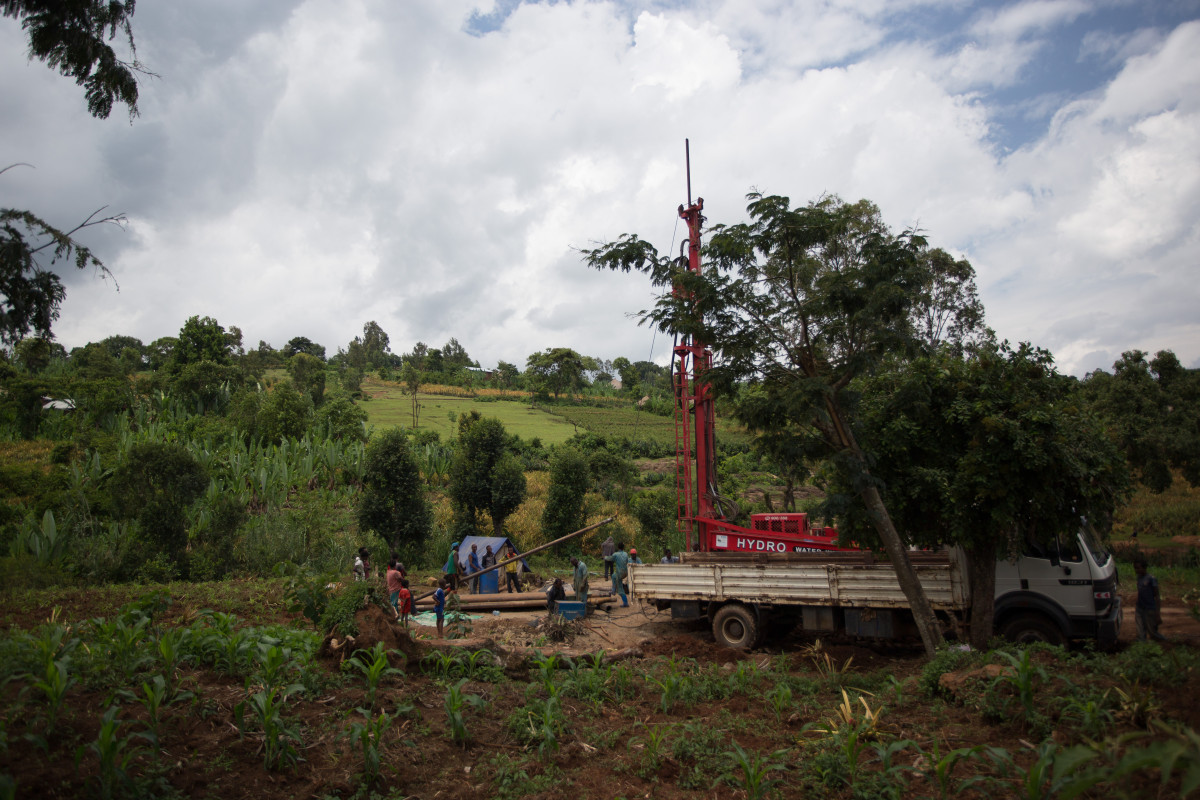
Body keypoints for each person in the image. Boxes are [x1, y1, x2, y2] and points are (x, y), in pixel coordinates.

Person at [1134, 556, 1167, 642]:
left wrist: (1157, 613)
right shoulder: (1139, 578)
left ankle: (1167, 643)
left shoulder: (1151, 579)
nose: (1136, 570)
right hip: (1140, 608)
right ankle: (1141, 647)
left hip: (1149, 609)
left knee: (1152, 633)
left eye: (1138, 568)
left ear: (1144, 568)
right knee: (1140, 633)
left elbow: (1157, 596)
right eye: (1135, 568)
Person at [611, 542, 630, 607]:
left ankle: (625, 602)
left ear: (618, 547)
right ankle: (613, 587)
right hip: (625, 573)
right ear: (623, 547)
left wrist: (605, 557)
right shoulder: (626, 554)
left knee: (620, 588)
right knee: (613, 575)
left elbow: (610, 559)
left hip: (619, 574)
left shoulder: (616, 554)